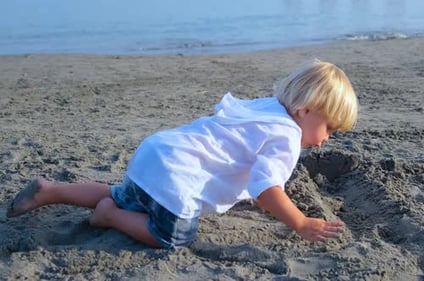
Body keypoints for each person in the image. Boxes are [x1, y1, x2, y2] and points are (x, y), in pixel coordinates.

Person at [6, 59, 358, 249]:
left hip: (156, 151)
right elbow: (267, 191)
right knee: (173, 236)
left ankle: (50, 191)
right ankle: (108, 217)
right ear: (307, 110)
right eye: (330, 127)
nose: (328, 138)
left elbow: (235, 149)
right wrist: (301, 222)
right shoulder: (287, 136)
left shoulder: (266, 108)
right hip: (177, 178)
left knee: (125, 193)